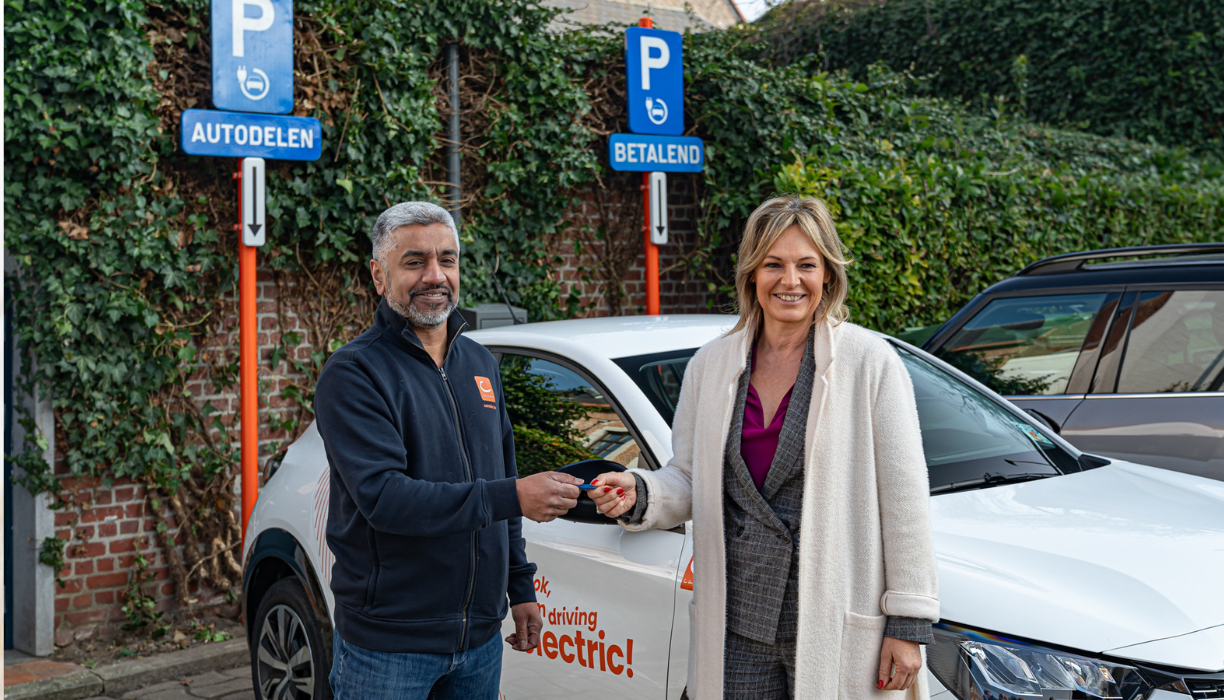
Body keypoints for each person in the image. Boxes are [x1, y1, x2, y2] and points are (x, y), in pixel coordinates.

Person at [589, 196, 939, 700]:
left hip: (833, 619)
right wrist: (639, 492)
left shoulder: (871, 363)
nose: (790, 281)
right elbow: (688, 477)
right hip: (737, 621)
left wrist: (908, 623)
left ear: (828, 276)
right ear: (752, 273)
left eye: (806, 265)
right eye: (773, 264)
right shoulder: (709, 366)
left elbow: (904, 503)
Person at [313, 201, 582, 699]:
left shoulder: (480, 362)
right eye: (414, 261)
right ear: (378, 274)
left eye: (448, 259)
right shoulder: (353, 374)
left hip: (480, 643)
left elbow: (504, 470)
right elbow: (386, 499)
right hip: (389, 648)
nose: (435, 275)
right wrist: (514, 496)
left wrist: (519, 586)